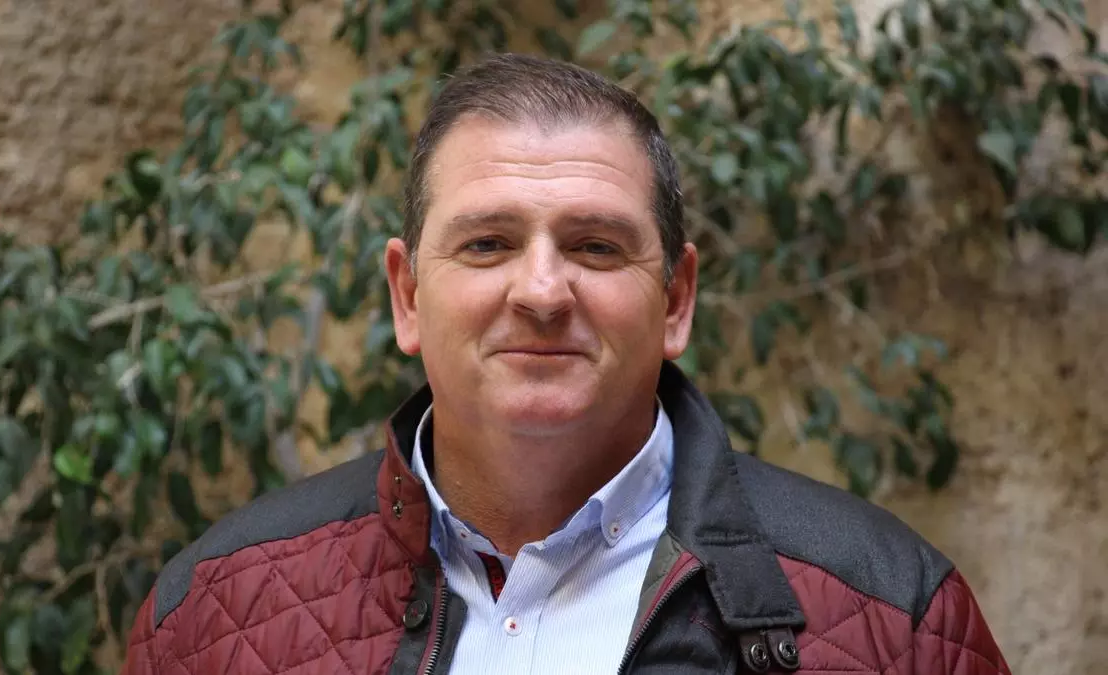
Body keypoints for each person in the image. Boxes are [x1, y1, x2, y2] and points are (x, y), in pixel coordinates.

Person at [122, 53, 1011, 675]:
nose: (543, 291)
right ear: (407, 295)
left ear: (675, 299)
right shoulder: (213, 615)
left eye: (594, 246)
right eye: (487, 243)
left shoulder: (895, 616)